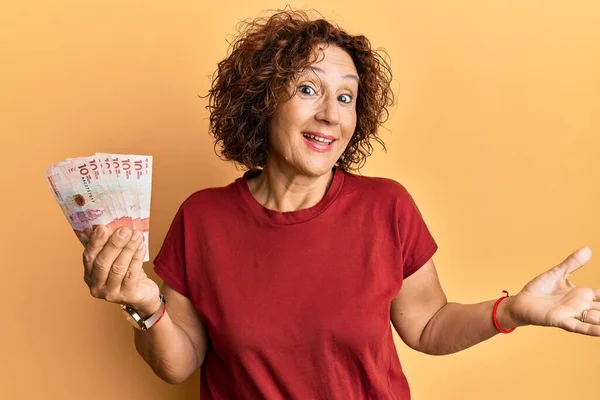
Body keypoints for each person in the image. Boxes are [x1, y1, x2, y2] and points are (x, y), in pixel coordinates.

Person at [81, 9, 598, 399]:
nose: (331, 114)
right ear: (262, 102)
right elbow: (180, 362)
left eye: (346, 97)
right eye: (308, 89)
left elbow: (427, 324)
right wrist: (145, 305)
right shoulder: (203, 218)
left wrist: (512, 311)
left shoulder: (386, 207)